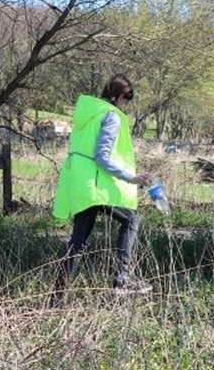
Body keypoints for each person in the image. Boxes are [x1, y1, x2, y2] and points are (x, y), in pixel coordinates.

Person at [50, 73, 152, 306]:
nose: (126, 105)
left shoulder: (87, 113)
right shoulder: (111, 116)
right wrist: (131, 177)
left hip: (80, 183)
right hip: (96, 185)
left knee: (78, 243)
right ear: (117, 97)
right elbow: (102, 157)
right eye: (126, 99)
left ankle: (55, 301)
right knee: (131, 220)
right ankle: (122, 279)